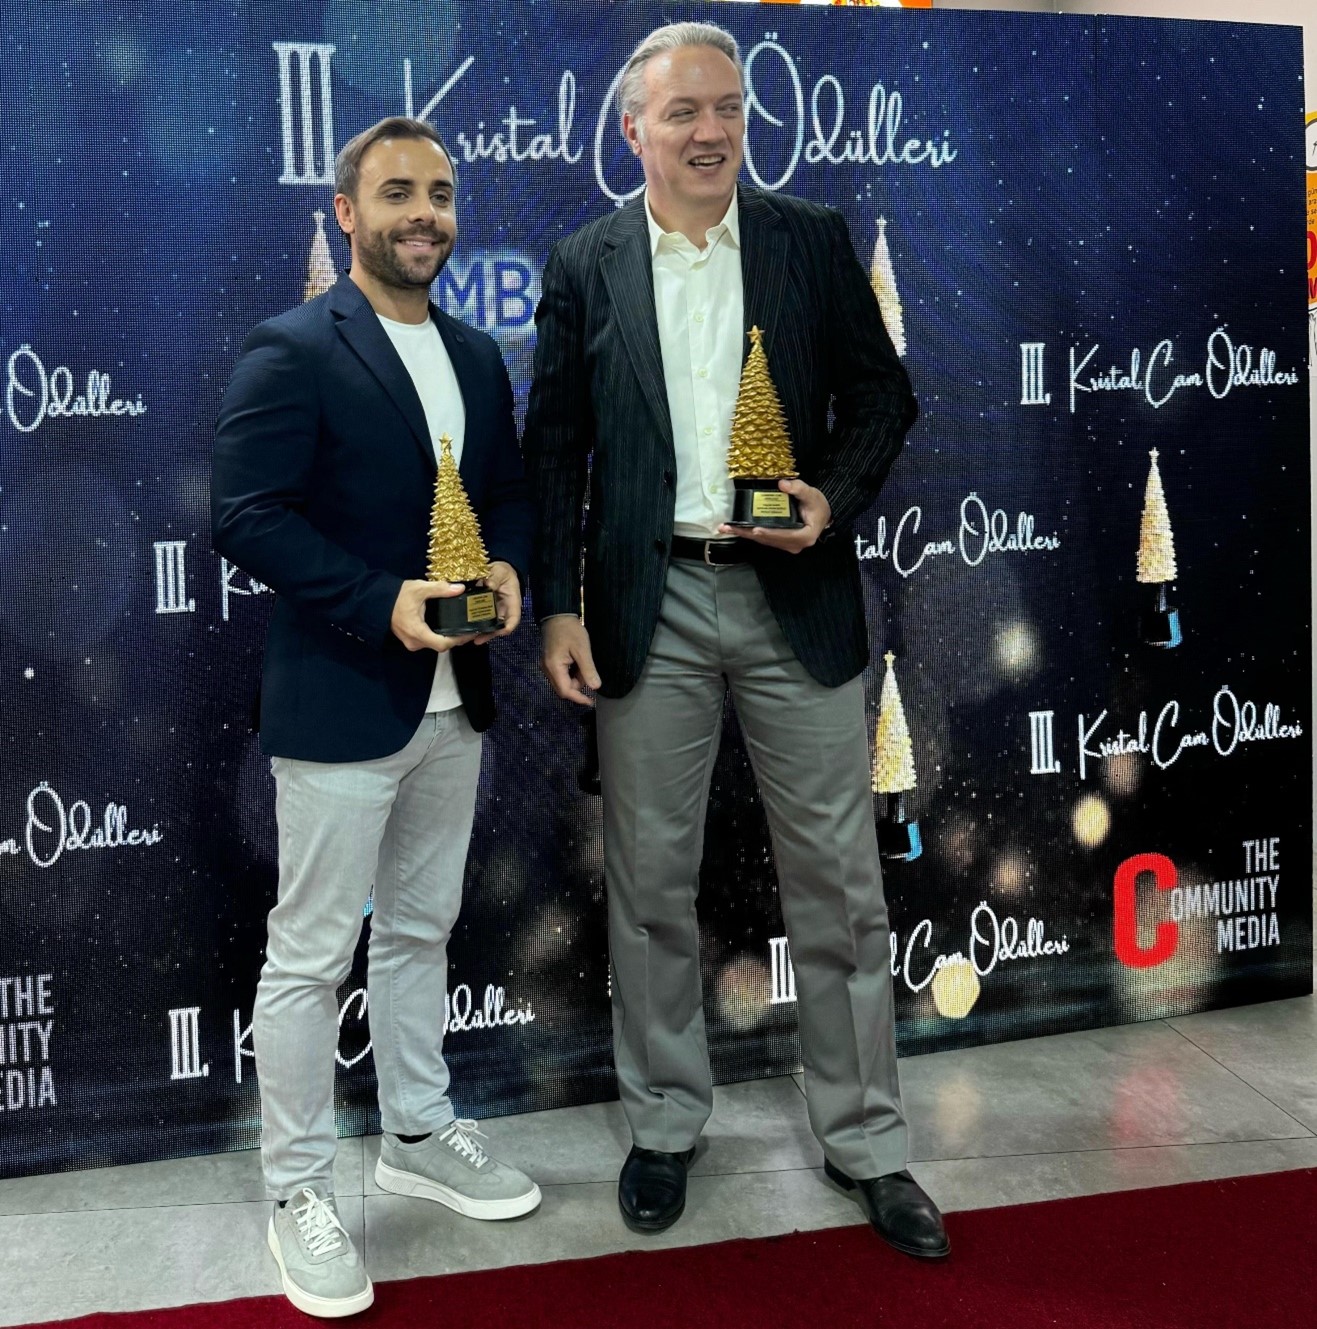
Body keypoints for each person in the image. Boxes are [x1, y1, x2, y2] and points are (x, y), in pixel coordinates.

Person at [523, 23, 948, 1258]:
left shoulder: (810, 240)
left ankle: (868, 1143)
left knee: (840, 886)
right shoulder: (587, 262)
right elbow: (555, 448)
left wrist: (829, 498)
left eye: (728, 109)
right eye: (684, 113)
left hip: (792, 597)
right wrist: (557, 605)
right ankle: (665, 1126)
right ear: (634, 133)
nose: (711, 132)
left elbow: (884, 396)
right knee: (650, 884)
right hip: (646, 605)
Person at [213, 116, 538, 1318]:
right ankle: (297, 1189)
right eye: (398, 192)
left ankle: (416, 1130)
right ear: (347, 212)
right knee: (310, 956)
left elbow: (505, 491)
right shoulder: (294, 346)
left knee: (418, 930)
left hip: (460, 703)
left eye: (440, 194)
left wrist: (508, 566)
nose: (425, 214)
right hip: (343, 695)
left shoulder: (478, 353)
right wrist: (379, 603)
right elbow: (246, 514)